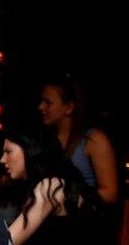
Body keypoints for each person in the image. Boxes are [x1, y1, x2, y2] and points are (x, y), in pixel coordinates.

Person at [0, 128, 104, 245]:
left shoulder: (49, 187)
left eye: (8, 152)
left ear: (29, 150)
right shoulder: (48, 184)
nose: (2, 160)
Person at [39, 75, 119, 204]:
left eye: (48, 102)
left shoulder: (94, 140)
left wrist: (69, 198)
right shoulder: (44, 140)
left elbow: (111, 193)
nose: (41, 107)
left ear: (69, 107)